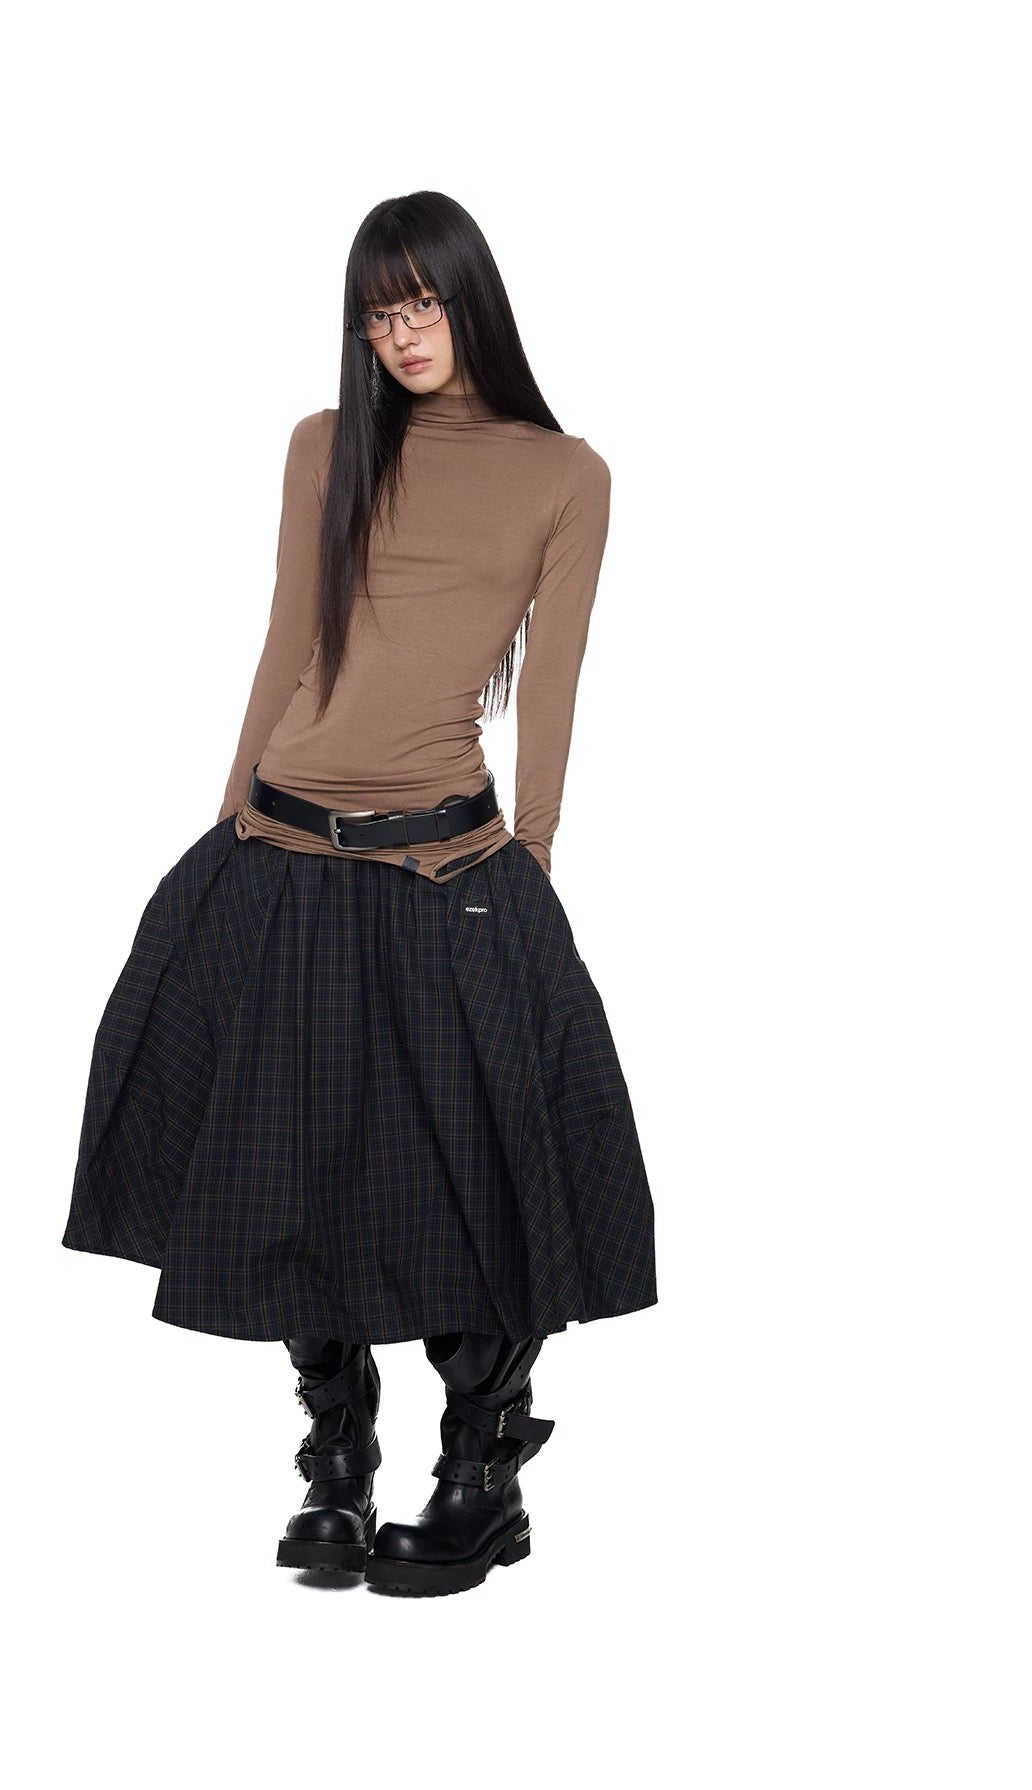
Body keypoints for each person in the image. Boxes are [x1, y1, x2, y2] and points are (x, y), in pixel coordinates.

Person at [62, 190, 657, 1598]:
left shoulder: (566, 474)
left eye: (424, 302)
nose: (403, 332)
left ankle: (481, 1472)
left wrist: (536, 854)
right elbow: (291, 630)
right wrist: (227, 820)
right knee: (288, 1160)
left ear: (473, 301)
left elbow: (555, 678)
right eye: (379, 312)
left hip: (449, 860)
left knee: (479, 1171)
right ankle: (337, 1460)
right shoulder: (325, 445)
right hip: (283, 841)